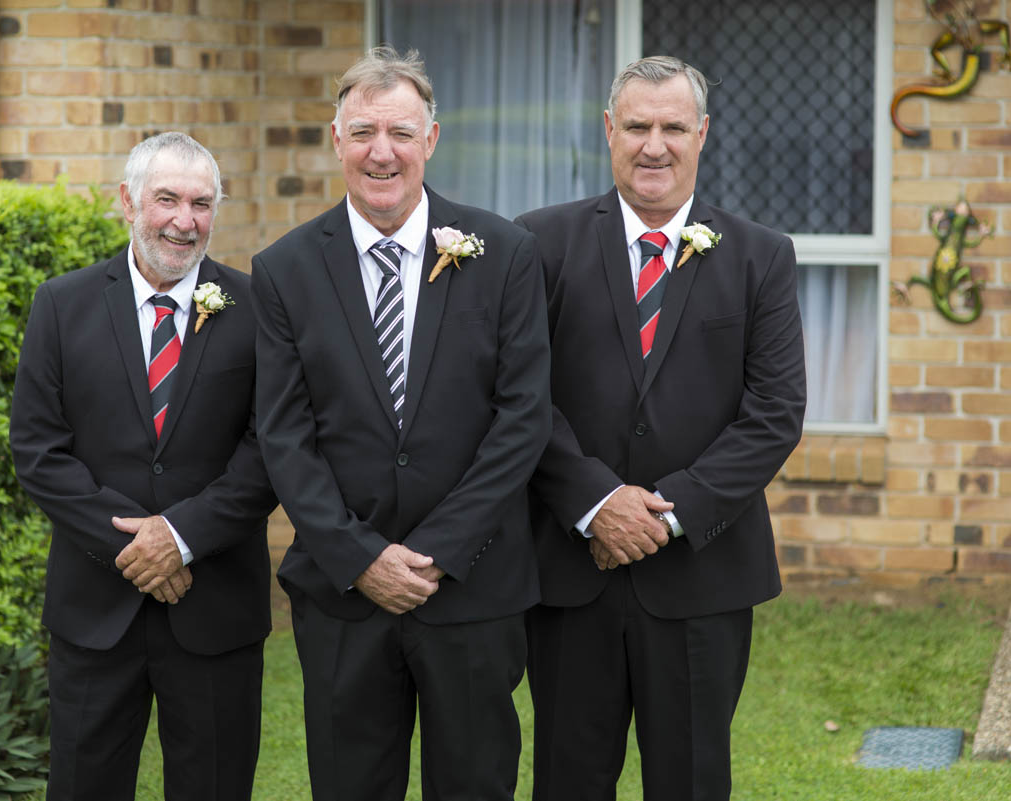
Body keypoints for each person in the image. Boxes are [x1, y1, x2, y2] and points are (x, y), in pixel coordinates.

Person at [251, 46, 551, 801]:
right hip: (344, 595)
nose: (381, 152)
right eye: (362, 133)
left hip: (474, 587)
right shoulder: (284, 268)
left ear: (433, 140)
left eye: (400, 133)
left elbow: (522, 418)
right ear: (336, 140)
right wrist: (361, 557)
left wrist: (437, 553)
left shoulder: (507, 254)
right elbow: (284, 434)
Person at [515, 56, 807, 801]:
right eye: (638, 126)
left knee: (692, 779)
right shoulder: (539, 246)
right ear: (609, 131)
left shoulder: (759, 257)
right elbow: (519, 396)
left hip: (702, 572)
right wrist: (596, 501)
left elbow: (773, 412)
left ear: (702, 134)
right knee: (568, 781)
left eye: (673, 127)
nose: (655, 145)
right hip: (570, 571)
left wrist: (667, 514)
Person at [9, 131, 276, 801]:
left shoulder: (257, 312)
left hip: (214, 605)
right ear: (127, 201)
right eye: (167, 199)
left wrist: (181, 537)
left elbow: (270, 448)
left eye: (201, 203)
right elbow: (39, 450)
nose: (185, 221)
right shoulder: (61, 305)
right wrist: (136, 547)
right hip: (95, 611)